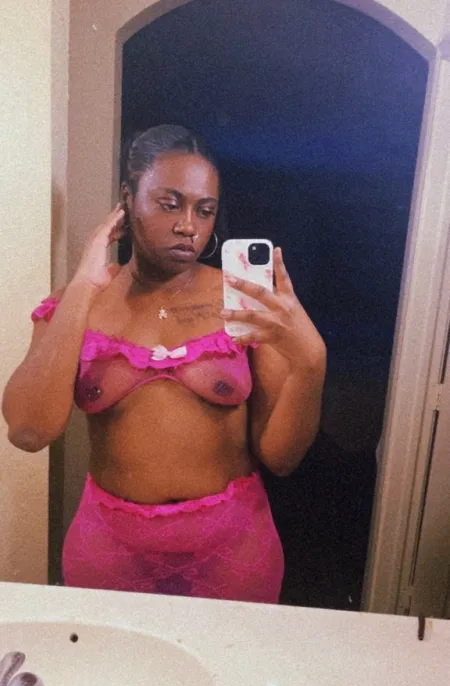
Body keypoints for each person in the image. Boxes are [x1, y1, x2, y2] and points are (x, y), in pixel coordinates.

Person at [2, 125, 326, 603]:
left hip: (232, 551)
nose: (188, 226)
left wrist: (312, 364)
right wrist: (83, 287)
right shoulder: (79, 303)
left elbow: (282, 458)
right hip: (110, 552)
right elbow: (29, 432)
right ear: (127, 199)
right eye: (169, 204)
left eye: (204, 210)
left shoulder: (244, 302)